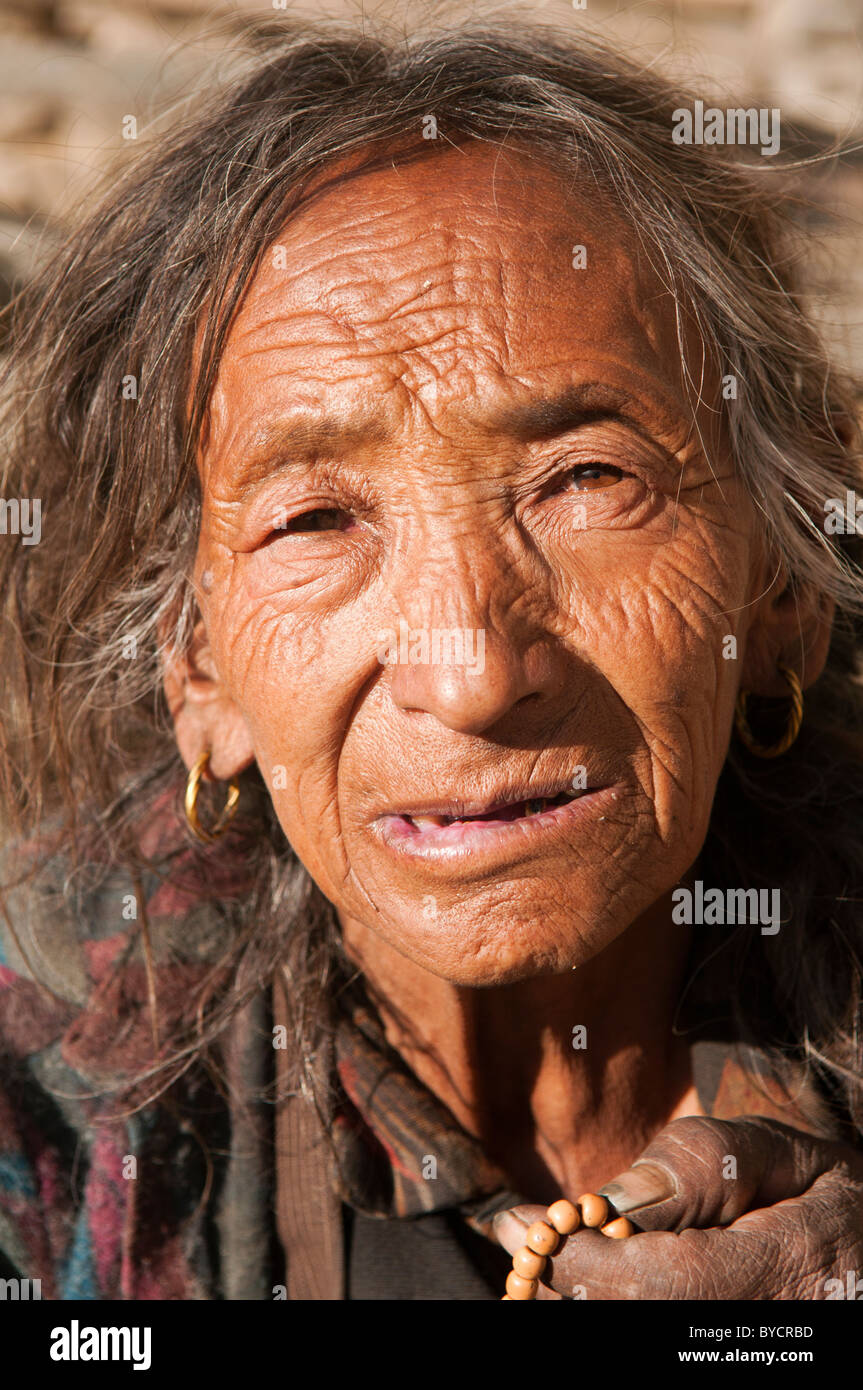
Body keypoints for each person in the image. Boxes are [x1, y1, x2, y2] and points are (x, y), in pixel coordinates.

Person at [1, 18, 862, 1301]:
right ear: (196, 668)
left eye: (583, 479)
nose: (468, 676)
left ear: (782, 575)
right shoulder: (49, 1098)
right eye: (314, 520)